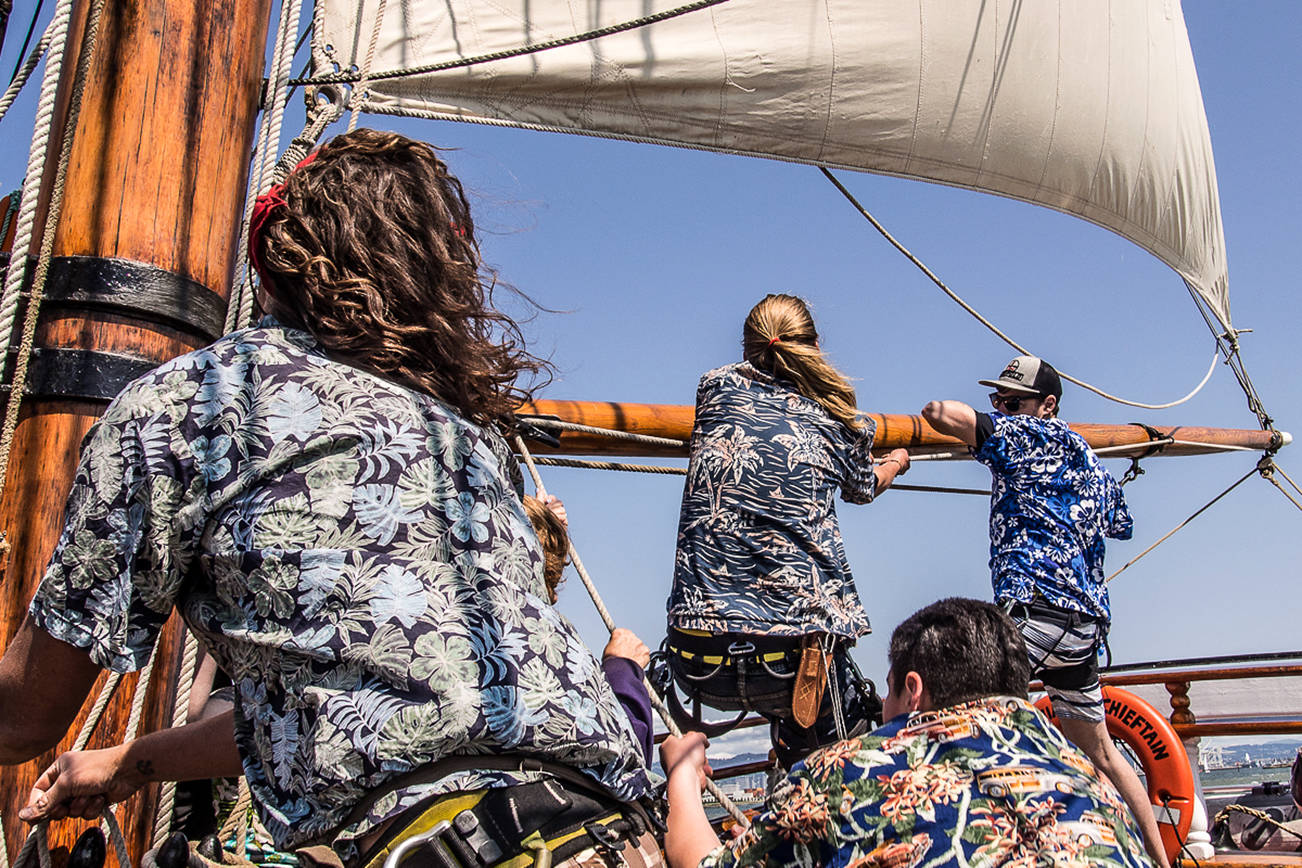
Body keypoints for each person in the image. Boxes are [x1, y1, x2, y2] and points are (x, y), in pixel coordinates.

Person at [0, 129, 656, 867]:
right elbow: (359, 711)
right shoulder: (466, 441)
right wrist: (130, 763)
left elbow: (24, 719)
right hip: (612, 837)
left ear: (274, 266)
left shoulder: (200, 400)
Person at [659, 598, 1155, 868]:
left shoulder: (846, 772)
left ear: (913, 690)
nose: (882, 710)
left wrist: (682, 772)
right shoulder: (1085, 775)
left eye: (889, 693)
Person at [920, 355, 1170, 868]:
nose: (1003, 410)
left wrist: (996, 430)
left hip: (1032, 611)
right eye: (998, 402)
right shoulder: (1089, 460)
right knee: (1100, 750)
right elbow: (1121, 522)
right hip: (1082, 627)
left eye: (1012, 402)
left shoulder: (1023, 437)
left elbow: (941, 412)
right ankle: (1161, 862)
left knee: (957, 719)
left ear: (1047, 406)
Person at [663, 293, 910, 767]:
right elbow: (862, 487)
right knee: (850, 757)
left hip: (697, 661)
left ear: (746, 347)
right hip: (795, 662)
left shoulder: (713, 389)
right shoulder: (842, 420)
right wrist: (895, 461)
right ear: (815, 345)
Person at [523, 493, 655, 763]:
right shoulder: (538, 646)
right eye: (552, 587)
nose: (555, 598)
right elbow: (618, 758)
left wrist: (545, 529)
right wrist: (623, 670)